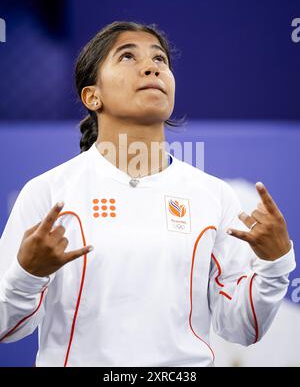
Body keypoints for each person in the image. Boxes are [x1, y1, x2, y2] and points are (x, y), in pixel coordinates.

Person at [0, 21, 296, 367]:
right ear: (92, 96)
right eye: (127, 56)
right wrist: (28, 273)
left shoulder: (214, 196)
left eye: (161, 60)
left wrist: (275, 264)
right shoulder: (48, 193)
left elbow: (242, 329)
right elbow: (6, 328)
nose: (152, 66)